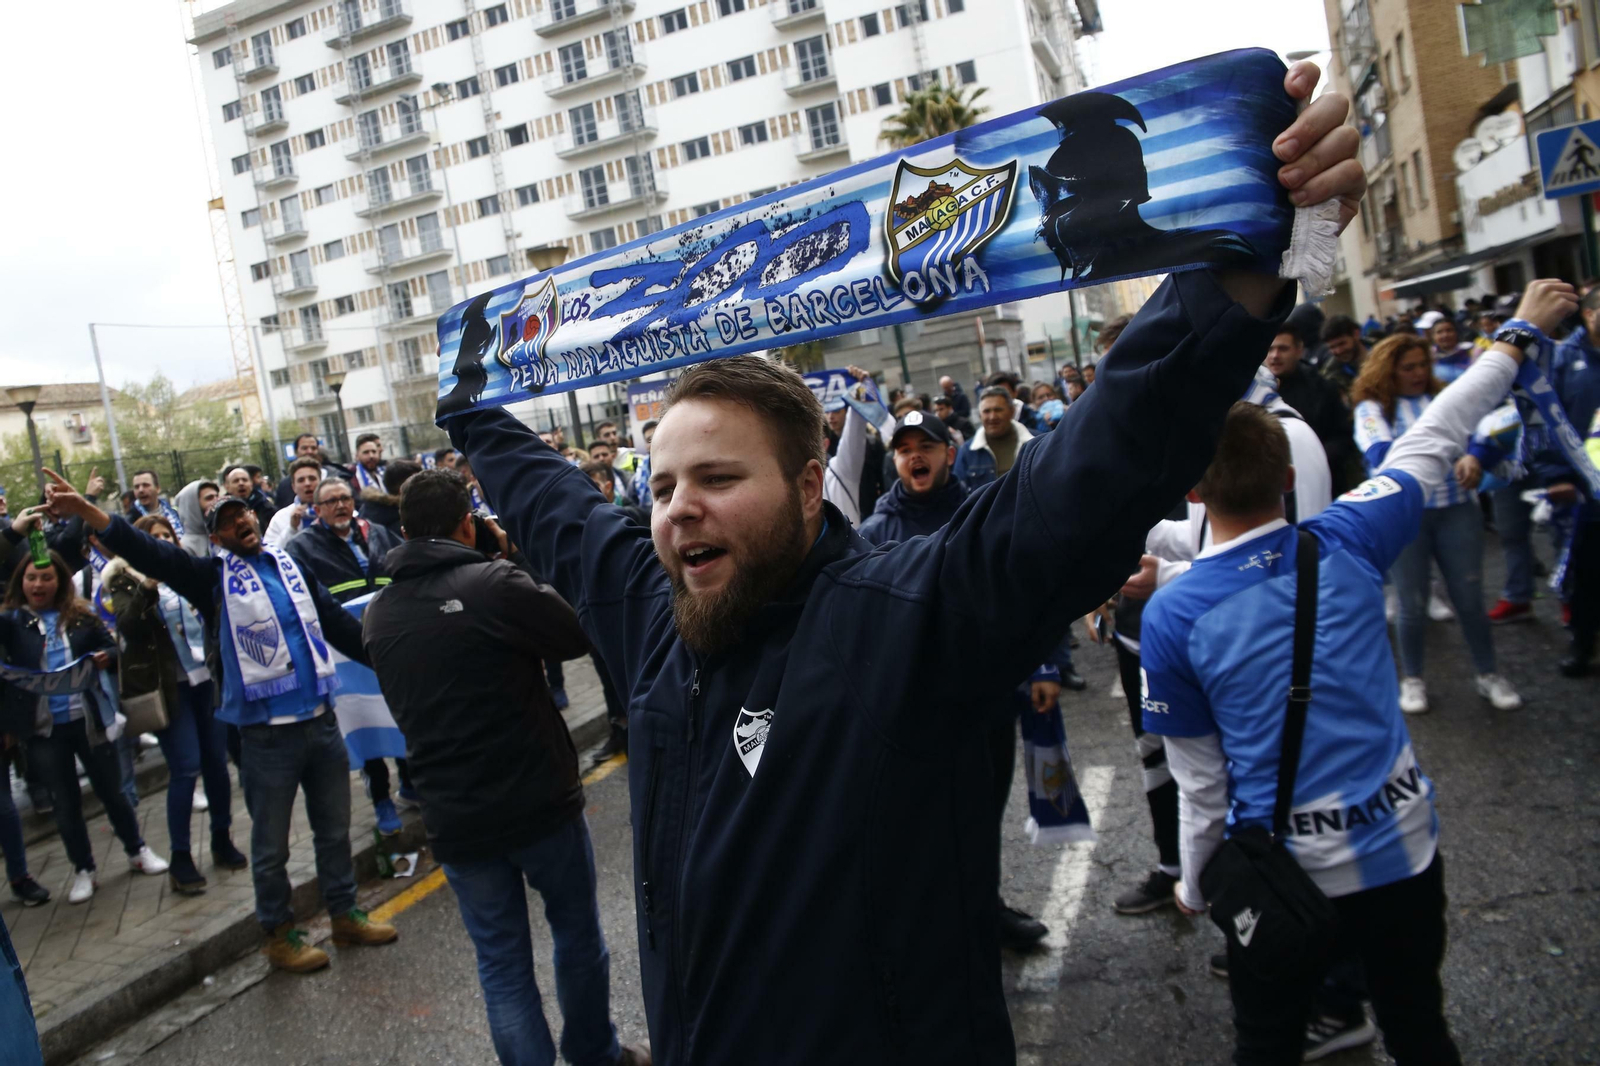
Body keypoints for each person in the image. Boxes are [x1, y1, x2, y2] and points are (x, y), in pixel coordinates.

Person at [444, 64, 1357, 1059]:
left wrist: (1240, 268)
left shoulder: (912, 613)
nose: (677, 508)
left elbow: (1098, 465)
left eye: (714, 476)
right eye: (661, 487)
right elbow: (560, 512)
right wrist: (469, 394)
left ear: (805, 488)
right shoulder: (659, 622)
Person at [1140, 281, 1579, 1066]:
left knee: (1266, 1045)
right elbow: (1441, 430)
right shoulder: (1347, 537)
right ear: (1288, 478)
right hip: (1403, 853)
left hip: (1282, 875)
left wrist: (1197, 887)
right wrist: (1513, 336)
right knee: (1419, 1028)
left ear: (1195, 491)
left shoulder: (1175, 617)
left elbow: (1202, 786)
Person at [45, 478, 398, 972]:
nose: (240, 522)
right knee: (271, 846)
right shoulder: (210, 578)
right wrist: (86, 509)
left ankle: (344, 914)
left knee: (334, 831)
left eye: (244, 514)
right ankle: (278, 935)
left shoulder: (290, 565)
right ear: (215, 539)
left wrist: (389, 657)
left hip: (320, 722)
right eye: (226, 521)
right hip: (266, 737)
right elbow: (147, 551)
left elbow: (336, 621)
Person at [362, 470, 649, 1066]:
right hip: (538, 799)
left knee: (501, 963)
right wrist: (511, 559)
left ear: (406, 529)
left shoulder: (380, 613)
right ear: (469, 523)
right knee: (576, 935)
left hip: (455, 816)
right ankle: (595, 1055)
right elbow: (574, 634)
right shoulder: (493, 582)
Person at [1353, 335, 1521, 713]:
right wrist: (1449, 454)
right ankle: (1412, 679)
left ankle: (1488, 673)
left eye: (1422, 366)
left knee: (1470, 599)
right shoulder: (1372, 407)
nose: (1417, 374)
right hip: (1405, 517)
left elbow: (1487, 426)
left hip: (1457, 510)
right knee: (1411, 603)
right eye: (1407, 367)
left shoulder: (1443, 396)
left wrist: (1476, 455)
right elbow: (1379, 454)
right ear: (1388, 370)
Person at [0, 550, 168, 904]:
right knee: (65, 803)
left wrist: (107, 657)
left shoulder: (80, 617)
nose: (38, 584)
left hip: (90, 723)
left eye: (46, 577)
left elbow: (113, 647)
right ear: (21, 582)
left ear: (59, 581)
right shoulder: (13, 623)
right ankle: (83, 869)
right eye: (31, 578)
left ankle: (137, 849)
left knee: (113, 792)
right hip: (44, 733)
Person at [103, 515, 248, 895]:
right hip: (170, 690)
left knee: (217, 763)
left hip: (205, 680)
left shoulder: (188, 574)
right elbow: (129, 625)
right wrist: (148, 586)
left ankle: (221, 837)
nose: (165, 543)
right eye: (155, 540)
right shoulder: (125, 580)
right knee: (186, 767)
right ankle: (181, 856)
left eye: (168, 537)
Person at [286, 478, 412, 833]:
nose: (340, 505)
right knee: (365, 723)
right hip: (345, 653)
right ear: (318, 509)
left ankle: (410, 780)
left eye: (345, 498)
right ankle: (382, 799)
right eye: (331, 501)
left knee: (399, 714)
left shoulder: (378, 534)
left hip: (389, 641)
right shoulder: (302, 548)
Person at [1549, 289, 1600, 675]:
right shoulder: (1565, 358)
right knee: (1585, 575)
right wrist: (1557, 476)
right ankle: (1583, 645)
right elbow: (1548, 421)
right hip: (1585, 494)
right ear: (1586, 314)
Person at [1265, 328, 1359, 495]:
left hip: (1318, 487)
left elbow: (1342, 437)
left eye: (1283, 348)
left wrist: (1311, 461)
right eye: (1269, 349)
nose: (1275, 355)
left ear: (1299, 351)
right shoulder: (1251, 390)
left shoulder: (1322, 388)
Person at [953, 385, 1034, 490]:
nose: (992, 417)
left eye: (998, 410)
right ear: (980, 416)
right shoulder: (967, 452)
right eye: (987, 411)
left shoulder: (1035, 442)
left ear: (1012, 411)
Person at [264, 458, 323, 548]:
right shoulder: (280, 518)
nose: (307, 483)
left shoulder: (335, 510)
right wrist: (291, 529)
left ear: (321, 483)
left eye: (312, 478)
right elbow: (271, 555)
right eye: (301, 480)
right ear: (293, 487)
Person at [125, 469, 185, 534]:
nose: (141, 490)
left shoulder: (175, 515)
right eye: (137, 487)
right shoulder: (130, 522)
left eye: (145, 485)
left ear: (158, 488)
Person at [173, 479, 220, 559]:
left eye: (217, 496)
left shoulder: (224, 536)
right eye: (209, 498)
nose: (217, 501)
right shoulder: (185, 548)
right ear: (193, 505)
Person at [274, 434, 323, 508]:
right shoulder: (284, 485)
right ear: (296, 452)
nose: (309, 451)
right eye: (304, 448)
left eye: (313, 448)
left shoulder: (335, 476)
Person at [223, 465, 276, 530]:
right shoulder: (222, 511)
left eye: (244, 480)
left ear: (251, 484)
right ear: (227, 487)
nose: (241, 483)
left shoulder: (266, 507)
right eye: (236, 481)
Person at [1428, 315, 1476, 385]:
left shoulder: (1471, 352)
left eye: (1449, 330)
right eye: (1439, 332)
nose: (1445, 335)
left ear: (1456, 332)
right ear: (1433, 336)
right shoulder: (1429, 357)